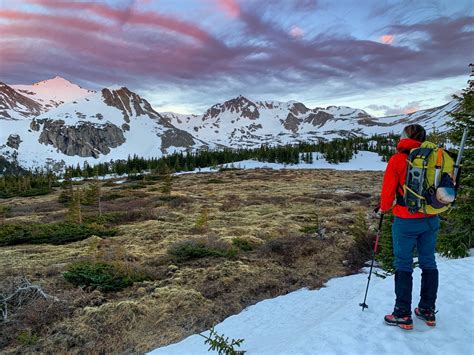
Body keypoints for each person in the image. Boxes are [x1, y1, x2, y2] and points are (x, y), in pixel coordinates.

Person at [377, 124, 439, 330]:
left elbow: (387, 194)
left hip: (406, 219)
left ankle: (402, 313)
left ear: (404, 137)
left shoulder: (397, 159)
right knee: (428, 262)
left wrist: (383, 209)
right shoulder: (434, 156)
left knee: (403, 264)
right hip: (431, 218)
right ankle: (427, 310)